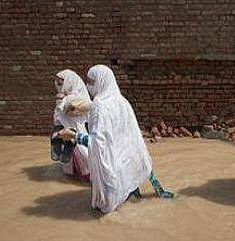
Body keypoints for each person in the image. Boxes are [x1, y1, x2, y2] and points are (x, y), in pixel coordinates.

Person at [58, 65, 173, 214]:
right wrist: (158, 188)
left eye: (92, 82)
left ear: (103, 82)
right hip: (126, 162)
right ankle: (132, 193)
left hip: (112, 166)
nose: (88, 86)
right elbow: (136, 142)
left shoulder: (99, 106)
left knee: (104, 208)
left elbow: (99, 144)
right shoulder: (122, 101)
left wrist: (74, 136)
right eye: (88, 81)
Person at [52, 69, 91, 182]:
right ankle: (75, 176)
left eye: (61, 82)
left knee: (83, 153)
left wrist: (66, 99)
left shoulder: (78, 97)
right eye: (58, 82)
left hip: (78, 129)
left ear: (70, 82)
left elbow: (72, 109)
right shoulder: (62, 96)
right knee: (71, 155)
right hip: (66, 130)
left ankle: (92, 177)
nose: (59, 85)